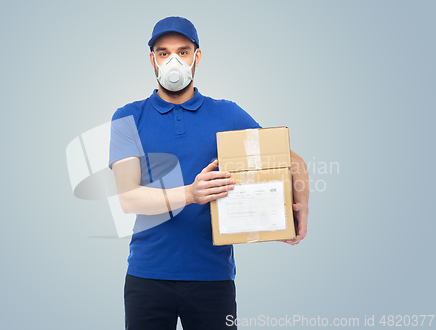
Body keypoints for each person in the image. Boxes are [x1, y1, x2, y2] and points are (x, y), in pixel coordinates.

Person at [109, 16, 310, 330]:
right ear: (152, 60)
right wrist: (191, 194)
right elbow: (128, 197)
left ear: (196, 57)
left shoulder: (226, 113)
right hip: (147, 277)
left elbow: (293, 161)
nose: (173, 60)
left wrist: (299, 210)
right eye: (163, 53)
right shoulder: (127, 117)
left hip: (212, 278)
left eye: (183, 51)